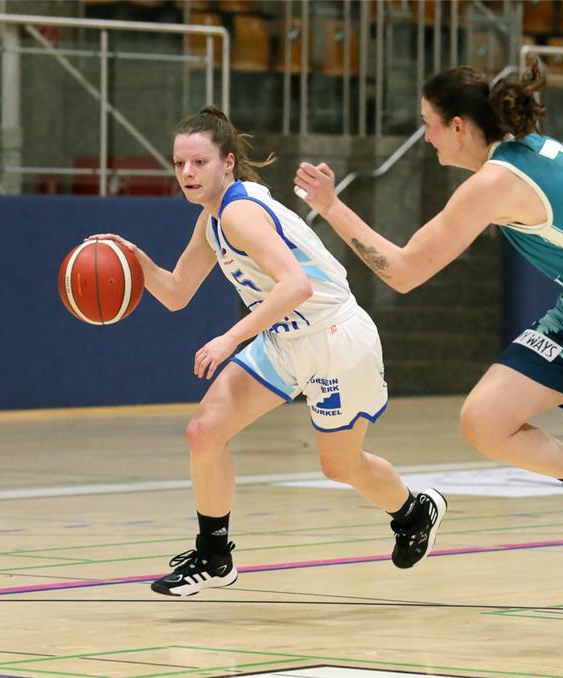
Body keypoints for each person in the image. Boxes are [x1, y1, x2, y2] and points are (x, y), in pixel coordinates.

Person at [293, 63, 563, 650]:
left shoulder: (493, 183)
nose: (425, 137)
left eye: (430, 125)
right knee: (485, 420)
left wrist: (329, 205)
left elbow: (401, 272)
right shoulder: (535, 149)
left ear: (458, 126)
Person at [89, 105, 447, 597]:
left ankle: (413, 510)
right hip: (284, 338)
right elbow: (175, 293)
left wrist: (230, 337)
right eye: (179, 164)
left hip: (334, 337)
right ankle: (214, 556)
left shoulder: (238, 212)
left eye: (200, 163)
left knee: (339, 466)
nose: (188, 174)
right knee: (204, 431)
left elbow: (295, 285)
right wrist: (132, 257)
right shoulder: (211, 221)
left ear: (228, 163)